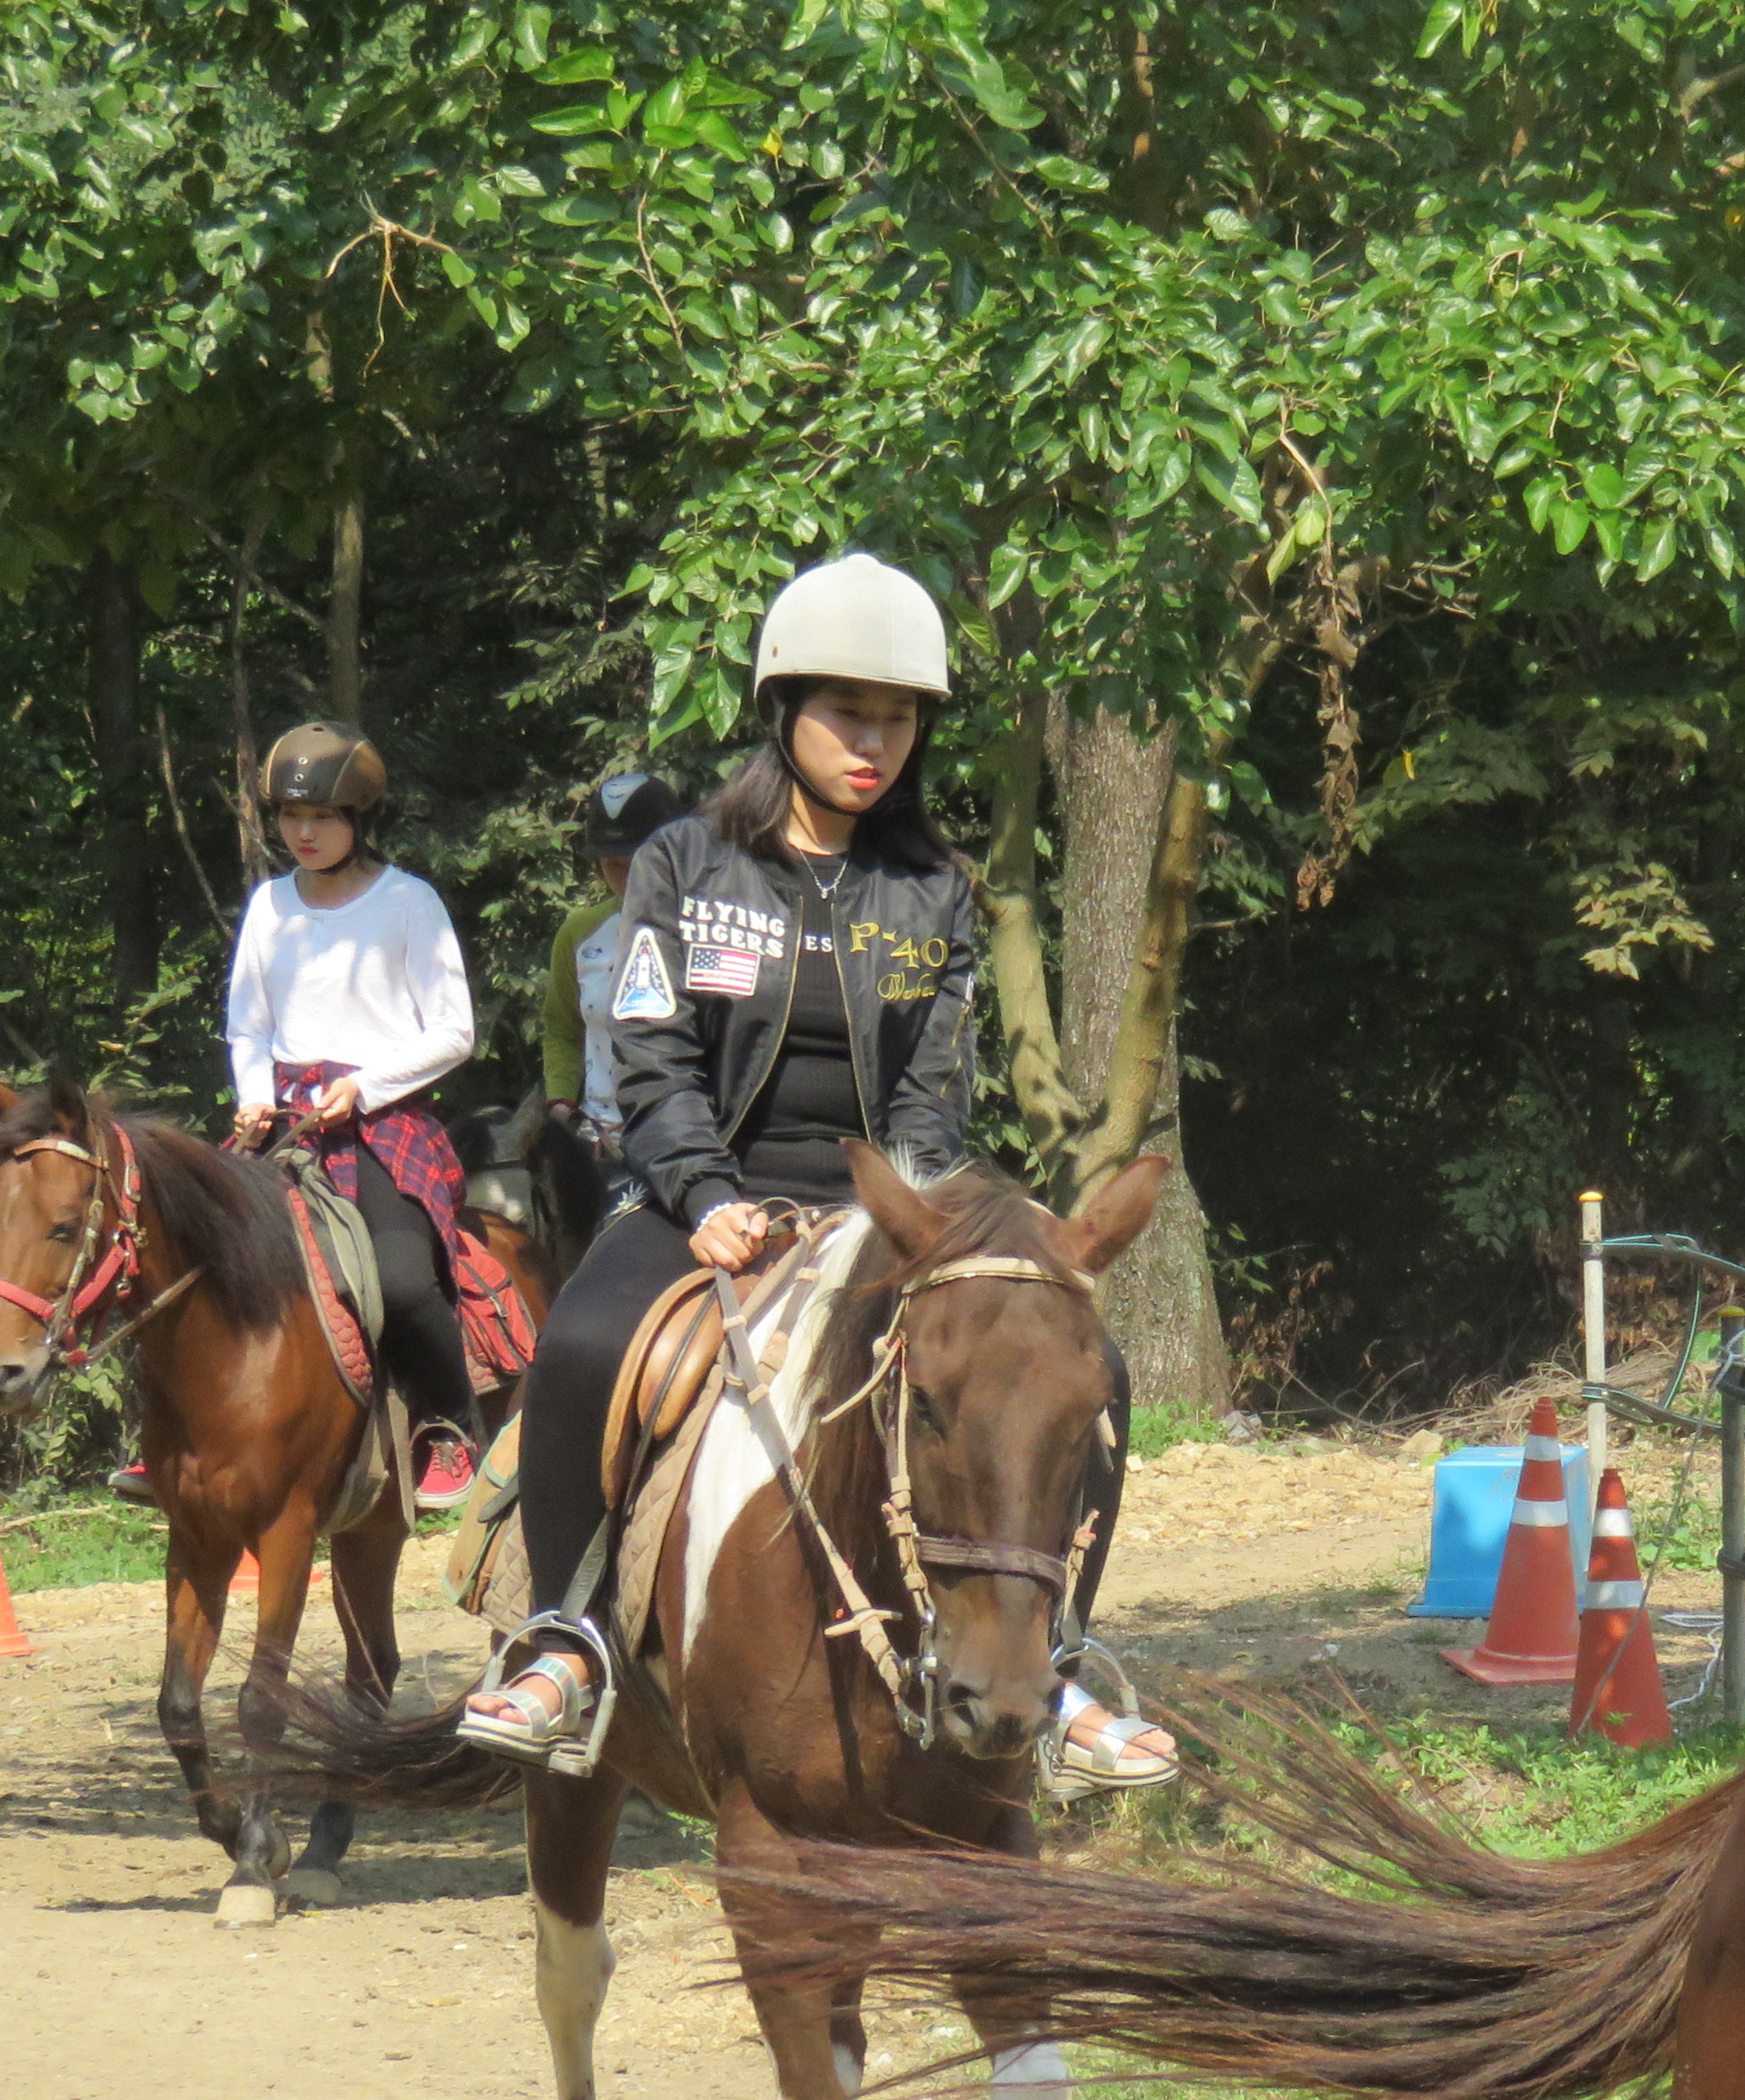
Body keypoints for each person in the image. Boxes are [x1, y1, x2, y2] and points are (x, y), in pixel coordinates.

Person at [462, 554, 1174, 1792]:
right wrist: (705, 1196)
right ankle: (566, 1638)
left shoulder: (935, 889)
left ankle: (1054, 1661)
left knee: (1090, 1365)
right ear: (783, 710)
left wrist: (912, 1218)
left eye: (899, 718)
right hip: (697, 1192)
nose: (875, 743)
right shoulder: (683, 863)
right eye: (849, 713)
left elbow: (932, 1093)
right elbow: (650, 1057)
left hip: (881, 1207)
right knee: (582, 1339)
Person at [224, 720, 496, 1512]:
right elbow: (248, 1028)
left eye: (323, 817)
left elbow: (454, 1031)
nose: (303, 832)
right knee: (191, 1254)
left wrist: (365, 1087)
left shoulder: (409, 902)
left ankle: (449, 1424)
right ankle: (181, 1438)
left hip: (383, 1123)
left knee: (403, 1282)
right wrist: (252, 1094)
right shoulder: (269, 906)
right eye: (290, 816)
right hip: (284, 1119)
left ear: (360, 818)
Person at [542, 770, 687, 1173]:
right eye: (613, 866)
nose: (628, 880)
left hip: (686, 1141)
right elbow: (562, 1030)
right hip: (602, 1143)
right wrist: (560, 1101)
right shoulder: (579, 933)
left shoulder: (709, 929)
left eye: (640, 863)